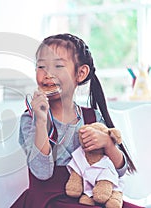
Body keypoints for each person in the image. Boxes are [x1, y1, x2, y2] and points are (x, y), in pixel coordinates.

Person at [11, 33, 141, 208]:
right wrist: (41, 122)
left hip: (89, 198)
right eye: (41, 66)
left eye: (58, 66)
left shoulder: (93, 118)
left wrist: (108, 144)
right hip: (48, 201)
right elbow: (42, 172)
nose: (47, 73)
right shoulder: (31, 119)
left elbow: (120, 170)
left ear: (80, 73)